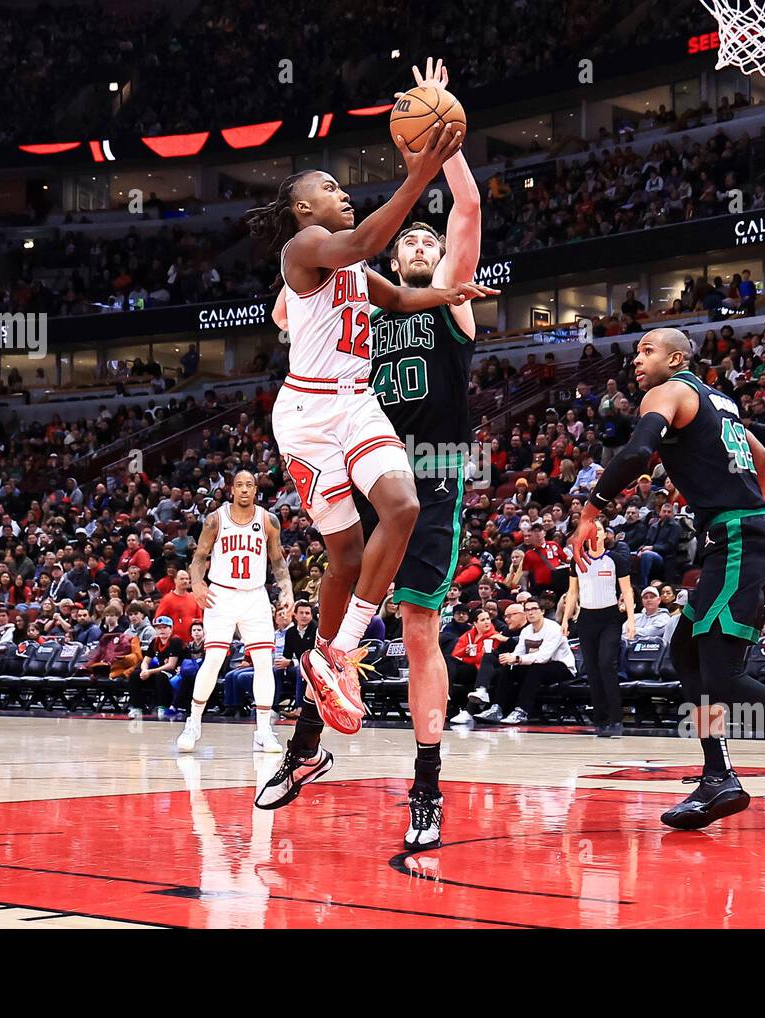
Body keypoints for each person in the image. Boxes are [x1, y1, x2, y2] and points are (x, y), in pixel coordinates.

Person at [266, 56, 482, 848]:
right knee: (341, 569)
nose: (421, 242)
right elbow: (353, 254)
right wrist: (412, 171)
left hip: (404, 446)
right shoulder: (334, 255)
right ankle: (306, 742)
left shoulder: (417, 279)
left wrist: (440, 148)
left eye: (431, 241)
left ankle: (423, 785)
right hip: (327, 423)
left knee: (418, 621)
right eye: (412, 239)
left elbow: (459, 214)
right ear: (301, 209)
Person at [571, 329, 765, 844]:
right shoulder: (721, 402)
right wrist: (749, 503)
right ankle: (717, 777)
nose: (637, 360)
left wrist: (591, 508)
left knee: (724, 673)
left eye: (647, 351)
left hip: (736, 537)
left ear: (676, 358)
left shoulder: (667, 393)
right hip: (738, 532)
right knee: (687, 653)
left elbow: (638, 449)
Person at [179, 471, 293, 756]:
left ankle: (264, 730)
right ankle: (193, 723)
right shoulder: (215, 519)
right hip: (222, 595)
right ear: (231, 489)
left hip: (255, 596)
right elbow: (198, 558)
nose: (244, 490)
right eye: (239, 485)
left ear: (256, 490)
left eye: (249, 485)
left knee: (264, 662)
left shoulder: (269, 520)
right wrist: (196, 583)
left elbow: (277, 560)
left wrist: (287, 589)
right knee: (215, 658)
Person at [559, 524, 634, 737]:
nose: (594, 533)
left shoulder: (616, 559)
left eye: (598, 529)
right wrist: (565, 619)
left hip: (610, 618)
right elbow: (572, 592)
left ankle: (616, 718)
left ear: (604, 535)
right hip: (586, 618)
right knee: (592, 670)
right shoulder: (577, 560)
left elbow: (627, 591)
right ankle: (600, 720)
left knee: (606, 664)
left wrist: (630, 620)